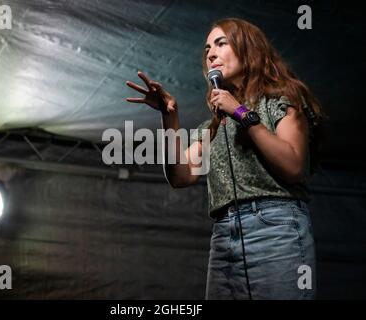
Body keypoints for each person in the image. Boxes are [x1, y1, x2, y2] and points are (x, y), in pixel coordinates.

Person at [125, 18, 325, 300]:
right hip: (223, 236)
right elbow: (181, 176)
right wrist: (169, 116)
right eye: (207, 48)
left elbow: (293, 166)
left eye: (221, 43)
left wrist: (242, 113)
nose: (210, 54)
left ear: (250, 50)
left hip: (276, 230)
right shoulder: (213, 127)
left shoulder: (283, 100)